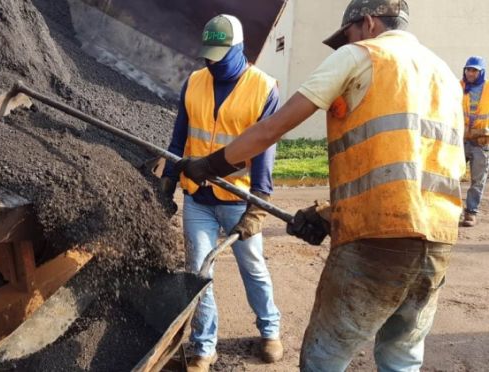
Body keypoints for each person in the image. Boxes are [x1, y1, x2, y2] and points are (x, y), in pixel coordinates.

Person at [178, 1, 465, 371]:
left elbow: (273, 128)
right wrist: (332, 214)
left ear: (368, 22)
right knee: (401, 355)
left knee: (322, 358)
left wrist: (211, 164)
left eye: (348, 34)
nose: (347, 42)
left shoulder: (362, 56)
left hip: (378, 242)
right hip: (439, 241)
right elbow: (415, 165)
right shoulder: (442, 72)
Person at [159, 14, 282, 371]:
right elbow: (177, 139)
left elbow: (264, 149)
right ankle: (203, 346)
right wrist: (168, 181)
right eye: (208, 55)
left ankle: (270, 331)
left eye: (219, 55)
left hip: (238, 198)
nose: (211, 62)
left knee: (253, 267)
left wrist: (259, 203)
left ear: (239, 48)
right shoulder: (194, 81)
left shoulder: (263, 87)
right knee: (198, 272)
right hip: (197, 196)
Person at [461, 56, 488, 227]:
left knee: (478, 180)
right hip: (461, 140)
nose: (470, 73)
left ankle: (471, 213)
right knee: (451, 177)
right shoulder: (458, 87)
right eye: (468, 69)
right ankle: (452, 211)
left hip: (481, 142)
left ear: (481, 72)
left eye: (474, 70)